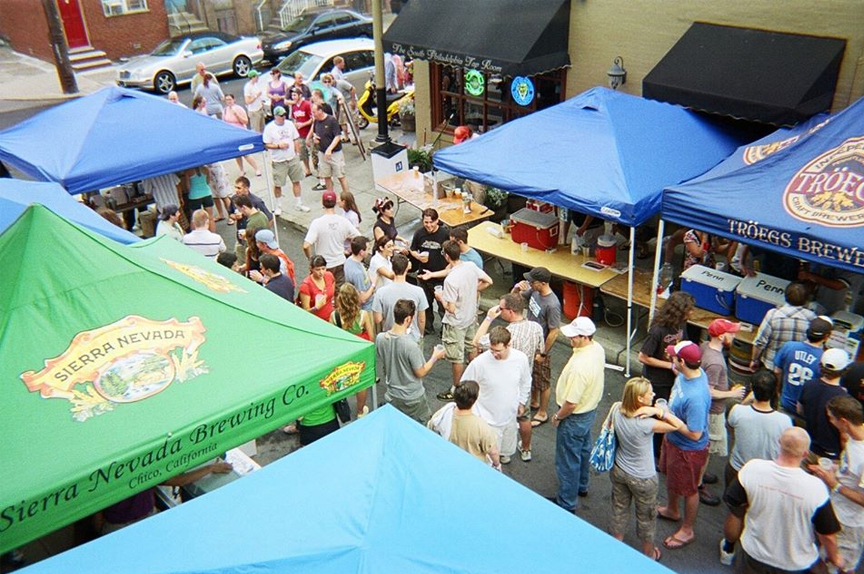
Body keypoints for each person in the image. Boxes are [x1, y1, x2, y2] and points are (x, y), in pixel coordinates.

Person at [721, 427, 843, 572]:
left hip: (754, 554)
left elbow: (734, 505)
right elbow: (827, 535)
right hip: (795, 563)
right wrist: (835, 558)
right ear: (805, 453)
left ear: (779, 443)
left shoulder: (752, 469)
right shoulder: (816, 488)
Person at [610, 377, 685, 561]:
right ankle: (648, 553)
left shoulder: (616, 409)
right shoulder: (646, 424)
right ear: (639, 400)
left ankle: (614, 543)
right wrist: (658, 411)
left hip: (619, 469)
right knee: (646, 517)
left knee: (619, 508)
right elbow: (678, 426)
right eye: (649, 393)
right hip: (643, 477)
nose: (653, 395)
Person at [473, 293, 544, 462]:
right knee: (524, 417)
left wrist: (489, 318)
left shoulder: (505, 335)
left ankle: (503, 453)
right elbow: (539, 352)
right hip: (524, 381)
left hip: (505, 384)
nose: (499, 311)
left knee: (502, 420)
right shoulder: (536, 328)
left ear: (510, 312)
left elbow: (476, 341)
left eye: (501, 309)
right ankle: (526, 449)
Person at [655, 341, 711, 550]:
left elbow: (695, 434)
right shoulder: (690, 373)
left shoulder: (695, 397)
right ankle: (672, 509)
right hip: (673, 441)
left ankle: (687, 529)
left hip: (688, 450)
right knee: (672, 477)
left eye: (674, 357)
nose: (670, 358)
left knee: (689, 489)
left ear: (682, 361)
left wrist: (669, 419)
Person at [552, 316, 605, 511]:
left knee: (567, 459)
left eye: (574, 337)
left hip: (574, 416)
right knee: (583, 449)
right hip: (590, 409)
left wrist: (558, 416)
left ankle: (566, 502)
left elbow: (571, 404)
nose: (570, 339)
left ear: (584, 337)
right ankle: (582, 485)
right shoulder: (597, 349)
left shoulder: (579, 367)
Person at [809, 395, 864, 574]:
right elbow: (851, 470)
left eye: (831, 418)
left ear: (844, 421)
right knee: (828, 556)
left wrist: (834, 484)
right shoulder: (853, 440)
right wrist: (834, 468)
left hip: (850, 521)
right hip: (837, 509)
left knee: (843, 565)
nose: (830, 422)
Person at [462, 326, 531, 465]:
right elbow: (465, 386)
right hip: (487, 421)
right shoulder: (479, 363)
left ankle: (503, 454)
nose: (493, 354)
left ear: (508, 345)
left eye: (498, 351)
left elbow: (526, 381)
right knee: (488, 461)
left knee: (505, 449)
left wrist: (522, 402)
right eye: (491, 350)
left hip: (509, 417)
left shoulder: (521, 359)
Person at [638, 291, 694, 460]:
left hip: (674, 380)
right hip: (657, 381)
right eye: (689, 309)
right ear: (679, 310)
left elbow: (683, 345)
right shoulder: (658, 330)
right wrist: (670, 365)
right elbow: (643, 356)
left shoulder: (681, 324)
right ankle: (653, 454)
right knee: (657, 417)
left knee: (669, 414)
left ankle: (662, 451)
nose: (691, 313)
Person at [435, 240, 493, 400]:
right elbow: (489, 281)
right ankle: (474, 381)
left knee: (457, 357)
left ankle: (457, 389)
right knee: (471, 347)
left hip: (456, 322)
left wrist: (440, 298)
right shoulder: (471, 267)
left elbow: (451, 308)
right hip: (471, 317)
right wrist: (473, 290)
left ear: (447, 256)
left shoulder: (451, 280)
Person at [698, 319, 747, 506]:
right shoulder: (716, 362)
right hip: (713, 412)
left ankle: (701, 474)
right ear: (721, 336)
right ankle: (699, 483)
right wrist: (731, 393)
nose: (734, 336)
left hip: (709, 410)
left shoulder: (704, 347)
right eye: (731, 333)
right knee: (706, 450)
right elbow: (708, 391)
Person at [375, 299, 446, 423]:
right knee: (421, 427)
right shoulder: (411, 345)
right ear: (408, 319)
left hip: (392, 394)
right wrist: (435, 356)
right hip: (412, 397)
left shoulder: (381, 338)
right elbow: (421, 372)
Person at [512, 267, 562, 426]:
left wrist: (543, 352)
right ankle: (534, 401)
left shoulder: (552, 304)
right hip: (530, 341)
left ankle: (542, 412)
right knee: (530, 374)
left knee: (543, 380)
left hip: (540, 346)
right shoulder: (534, 291)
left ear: (543, 283)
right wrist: (516, 288)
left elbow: (554, 331)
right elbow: (514, 300)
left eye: (533, 281)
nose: (530, 283)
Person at [726, 370, 792, 489]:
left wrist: (746, 401)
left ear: (752, 389)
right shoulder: (785, 421)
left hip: (737, 468)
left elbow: (732, 430)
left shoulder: (737, 411)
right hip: (766, 476)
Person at [428, 380, 502, 469]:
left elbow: (431, 426)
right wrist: (497, 465)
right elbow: (493, 452)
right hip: (473, 466)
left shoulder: (444, 413)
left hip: (449, 459)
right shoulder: (481, 426)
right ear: (474, 400)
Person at [775, 316, 833, 418]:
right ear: (826, 336)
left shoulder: (789, 346)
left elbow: (777, 371)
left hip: (785, 402)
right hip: (806, 411)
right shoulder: (824, 358)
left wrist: (778, 391)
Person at [799, 348, 852, 460]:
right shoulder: (844, 398)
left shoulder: (809, 385)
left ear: (820, 365)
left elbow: (800, 409)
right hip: (830, 454)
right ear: (845, 370)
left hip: (808, 448)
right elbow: (844, 435)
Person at [751, 281, 817, 370]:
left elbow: (760, 342)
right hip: (795, 367)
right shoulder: (811, 317)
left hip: (771, 365)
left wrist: (754, 360)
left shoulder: (773, 314)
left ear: (785, 296)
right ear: (806, 300)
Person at [332, 282, 375, 417]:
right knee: (361, 382)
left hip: (344, 352)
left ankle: (342, 406)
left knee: (342, 378)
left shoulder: (335, 316)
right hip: (360, 352)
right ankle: (360, 411)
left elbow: (332, 337)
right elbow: (372, 336)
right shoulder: (363, 315)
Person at [303, 190, 359, 286]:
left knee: (323, 291)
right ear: (335, 203)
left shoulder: (317, 223)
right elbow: (358, 237)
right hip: (340, 262)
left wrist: (311, 259)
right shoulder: (343, 221)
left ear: (323, 203)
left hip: (324, 265)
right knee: (339, 292)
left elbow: (306, 246)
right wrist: (349, 250)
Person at [410, 209, 450, 334]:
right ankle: (427, 328)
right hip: (423, 275)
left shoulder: (444, 234)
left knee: (443, 306)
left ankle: (445, 330)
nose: (428, 225)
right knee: (425, 305)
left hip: (440, 276)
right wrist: (417, 256)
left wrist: (447, 269)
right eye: (426, 222)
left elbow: (452, 254)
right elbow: (413, 249)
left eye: (431, 222)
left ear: (437, 221)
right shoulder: (419, 233)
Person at [263, 106, 308, 214]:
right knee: (278, 184)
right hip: (279, 161)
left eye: (284, 115)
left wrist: (297, 153)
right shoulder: (269, 128)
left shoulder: (290, 124)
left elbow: (295, 138)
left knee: (296, 180)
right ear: (276, 116)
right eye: (281, 115)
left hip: (292, 158)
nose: (284, 117)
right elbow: (267, 144)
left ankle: (299, 203)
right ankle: (278, 205)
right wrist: (278, 146)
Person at [372, 253, 427, 340]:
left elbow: (377, 319)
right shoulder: (418, 291)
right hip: (412, 337)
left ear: (393, 269)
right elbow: (421, 319)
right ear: (406, 269)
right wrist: (421, 335)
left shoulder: (380, 293)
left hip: (389, 337)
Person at [311, 102, 350, 194]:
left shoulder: (332, 120)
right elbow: (314, 132)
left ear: (320, 111)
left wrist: (330, 149)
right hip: (322, 153)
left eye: (314, 112)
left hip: (335, 153)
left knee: (340, 176)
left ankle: (347, 196)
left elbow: (337, 136)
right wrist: (314, 138)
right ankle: (331, 196)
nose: (313, 114)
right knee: (326, 176)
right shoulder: (316, 121)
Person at [222, 93, 261, 176]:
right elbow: (224, 122)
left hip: (240, 133)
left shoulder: (239, 109)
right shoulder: (225, 110)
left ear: (233, 100)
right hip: (232, 135)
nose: (228, 101)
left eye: (230, 99)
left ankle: (256, 168)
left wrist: (237, 115)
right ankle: (241, 170)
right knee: (237, 154)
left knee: (245, 153)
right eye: (227, 100)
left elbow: (246, 121)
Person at [343, 236, 377, 311]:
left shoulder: (349, 260)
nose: (369, 251)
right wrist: (373, 284)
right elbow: (363, 299)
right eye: (368, 249)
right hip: (366, 307)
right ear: (361, 252)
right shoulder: (358, 274)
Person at [299, 255, 336, 321]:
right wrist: (316, 308)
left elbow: (333, 286)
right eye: (317, 269)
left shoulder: (329, 275)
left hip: (331, 318)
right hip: (316, 321)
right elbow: (305, 311)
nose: (321, 272)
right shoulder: (306, 286)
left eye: (323, 268)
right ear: (311, 268)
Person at [289, 88, 314, 177]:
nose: (293, 97)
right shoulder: (294, 106)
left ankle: (317, 169)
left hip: (309, 133)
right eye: (292, 95)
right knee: (303, 153)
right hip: (299, 134)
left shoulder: (307, 105)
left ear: (300, 95)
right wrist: (295, 124)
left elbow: (312, 119)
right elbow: (294, 118)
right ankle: (307, 169)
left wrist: (303, 124)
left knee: (313, 152)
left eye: (295, 95)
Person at [183, 166, 216, 231]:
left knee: (194, 218)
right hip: (206, 193)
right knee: (210, 217)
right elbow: (208, 181)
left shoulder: (188, 171)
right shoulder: (205, 168)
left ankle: (195, 236)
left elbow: (188, 186)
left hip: (194, 195)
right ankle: (213, 234)